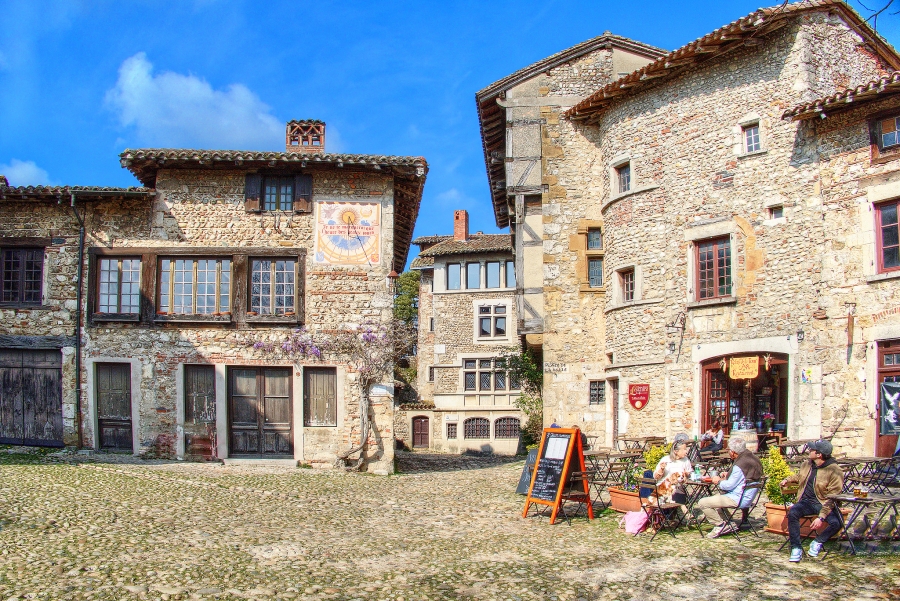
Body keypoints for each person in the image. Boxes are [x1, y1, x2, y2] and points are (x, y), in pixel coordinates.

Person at [780, 439, 844, 562]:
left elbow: (833, 497)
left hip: (823, 503)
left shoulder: (834, 471)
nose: (809, 450)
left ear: (819, 454)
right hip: (806, 502)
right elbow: (799, 476)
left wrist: (821, 517)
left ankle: (818, 542)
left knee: (837, 522)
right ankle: (796, 548)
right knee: (793, 513)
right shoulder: (807, 464)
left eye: (812, 449)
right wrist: (788, 479)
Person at [695, 437, 763, 538]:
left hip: (738, 498)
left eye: (729, 450)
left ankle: (720, 525)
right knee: (717, 499)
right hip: (748, 497)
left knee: (703, 503)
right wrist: (729, 474)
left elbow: (729, 485)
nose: (728, 452)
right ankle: (729, 522)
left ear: (734, 452)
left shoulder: (740, 464)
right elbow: (743, 477)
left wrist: (717, 481)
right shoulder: (753, 459)